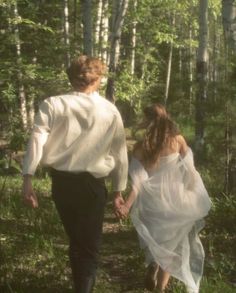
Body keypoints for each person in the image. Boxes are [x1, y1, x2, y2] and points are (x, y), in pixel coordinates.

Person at [22, 55, 128, 293]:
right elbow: (120, 152)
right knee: (88, 246)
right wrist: (118, 191)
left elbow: (37, 140)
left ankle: (80, 285)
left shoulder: (53, 104)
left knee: (78, 242)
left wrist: (28, 179)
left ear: (71, 78)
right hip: (92, 186)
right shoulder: (110, 110)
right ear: (98, 79)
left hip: (62, 185)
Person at [118, 104, 211, 293]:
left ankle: (152, 262)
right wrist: (192, 192)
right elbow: (190, 170)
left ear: (147, 121)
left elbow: (137, 182)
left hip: (151, 203)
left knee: (155, 240)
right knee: (170, 246)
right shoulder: (177, 140)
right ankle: (160, 288)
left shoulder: (140, 147)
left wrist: (127, 205)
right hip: (176, 200)